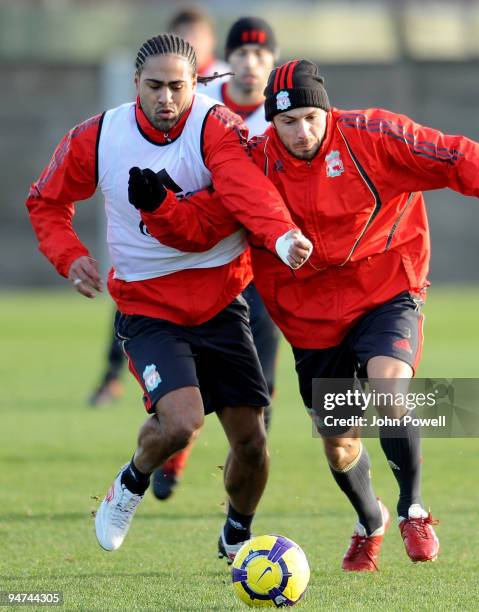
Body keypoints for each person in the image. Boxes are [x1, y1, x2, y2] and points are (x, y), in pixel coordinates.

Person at [138, 60, 479, 572]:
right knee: (340, 446)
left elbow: (454, 155)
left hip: (387, 289)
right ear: (271, 122)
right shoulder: (253, 166)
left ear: (326, 109)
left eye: (310, 118)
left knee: (389, 390)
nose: (301, 132)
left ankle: (414, 508)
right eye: (287, 122)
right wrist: (159, 206)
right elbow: (204, 223)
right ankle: (371, 520)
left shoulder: (374, 135)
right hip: (310, 320)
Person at [26, 35, 312, 559]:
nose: (165, 98)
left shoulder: (216, 126)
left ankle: (237, 532)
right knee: (182, 423)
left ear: (194, 82)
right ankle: (131, 483)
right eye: (154, 86)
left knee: (251, 441)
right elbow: (46, 201)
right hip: (147, 306)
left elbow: (245, 190)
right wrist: (69, 257)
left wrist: (280, 233)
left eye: (177, 87)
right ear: (135, 83)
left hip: (223, 299)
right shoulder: (98, 136)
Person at [152, 16, 281, 502]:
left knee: (257, 386)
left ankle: (238, 489)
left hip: (260, 268)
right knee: (192, 378)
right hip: (206, 263)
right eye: (242, 54)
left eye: (261, 55)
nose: (250, 64)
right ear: (229, 61)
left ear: (272, 64)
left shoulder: (282, 117)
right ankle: (176, 449)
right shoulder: (202, 112)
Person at [88, 6, 231, 407]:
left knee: (259, 397)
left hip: (225, 250)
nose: (166, 96)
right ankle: (114, 380)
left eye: (198, 36)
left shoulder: (226, 95)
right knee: (134, 295)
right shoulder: (148, 96)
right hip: (160, 245)